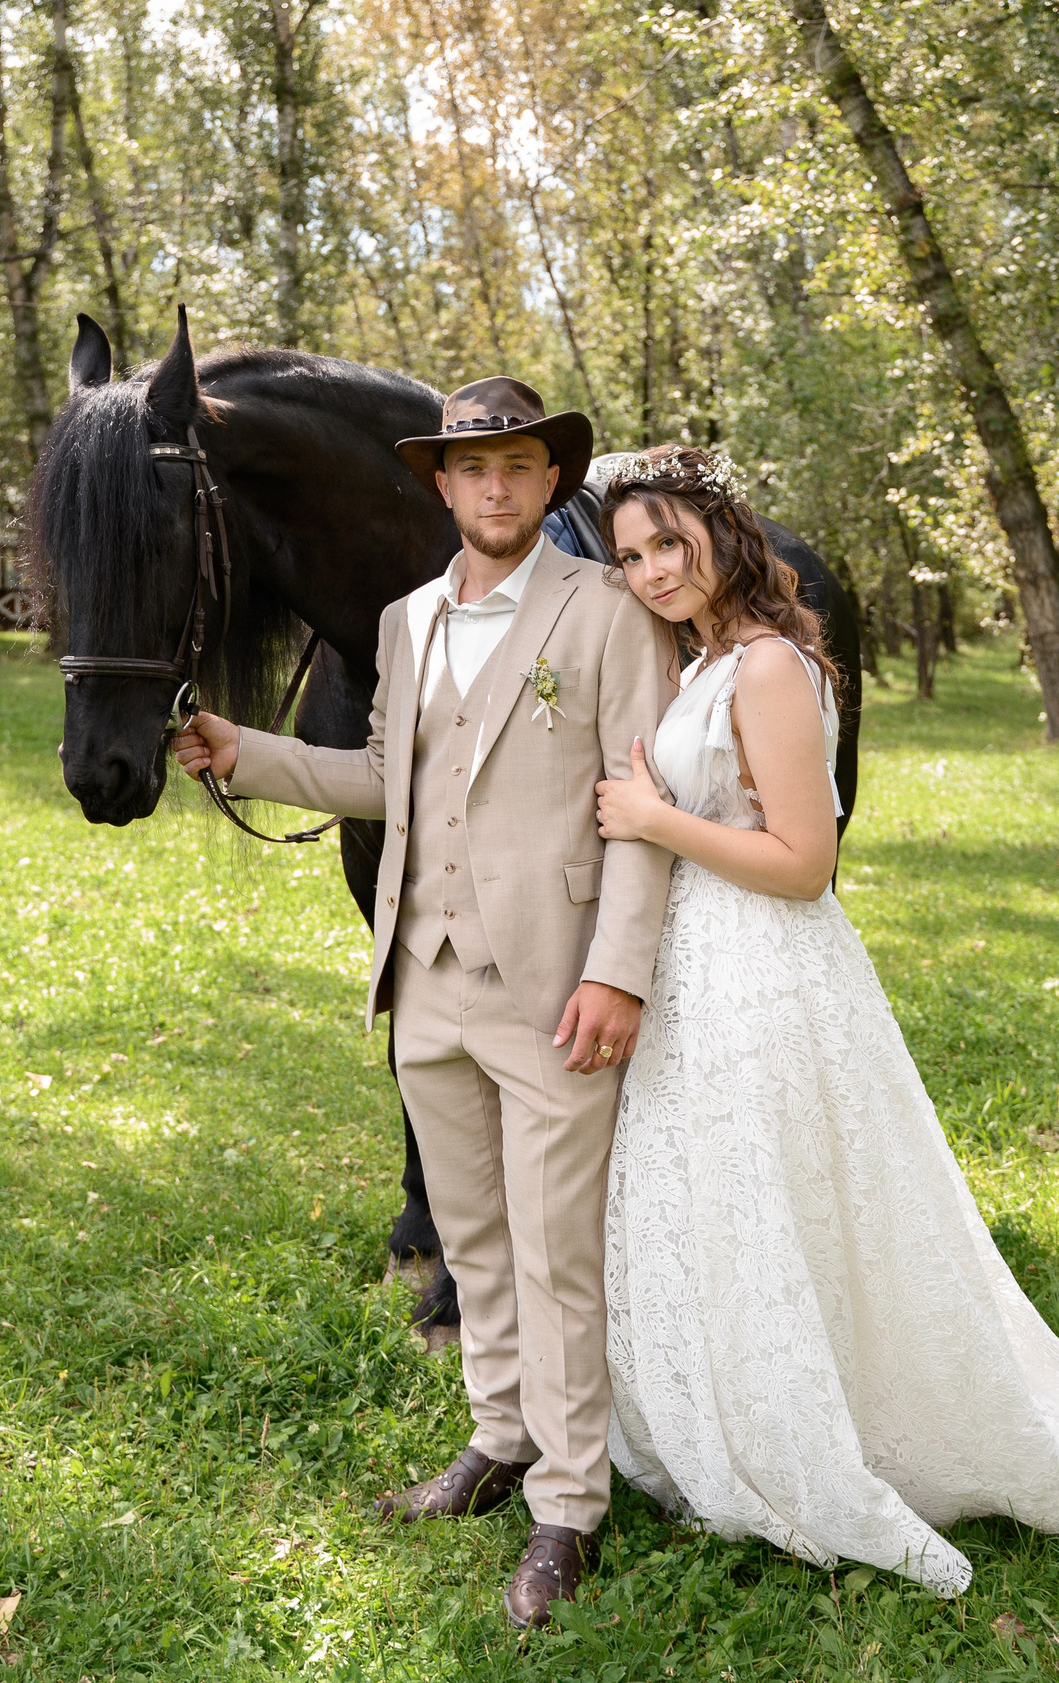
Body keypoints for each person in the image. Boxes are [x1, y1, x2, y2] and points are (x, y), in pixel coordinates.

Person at [590, 444, 1059, 1596]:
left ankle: (829, 1440)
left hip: (764, 964)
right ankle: (743, 1418)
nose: (651, 571)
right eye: (628, 556)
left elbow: (803, 864)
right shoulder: (706, 660)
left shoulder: (766, 665)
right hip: (704, 968)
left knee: (781, 1198)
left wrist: (654, 821)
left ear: (724, 531)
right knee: (733, 1203)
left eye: (668, 542)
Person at [170, 377, 677, 1628]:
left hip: (554, 984)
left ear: (548, 482)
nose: (493, 489)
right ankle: (497, 1442)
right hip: (427, 986)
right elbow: (387, 775)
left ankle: (569, 1505)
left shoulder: (608, 614)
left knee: (558, 1254)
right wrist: (251, 755)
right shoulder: (405, 621)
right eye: (469, 471)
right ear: (440, 488)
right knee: (474, 1239)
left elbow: (643, 809)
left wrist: (617, 970)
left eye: (516, 467)